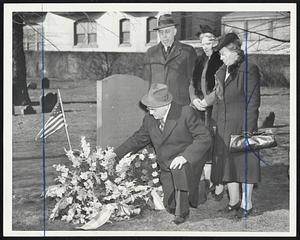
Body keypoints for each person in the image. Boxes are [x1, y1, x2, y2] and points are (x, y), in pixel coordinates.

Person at [105, 83, 212, 224]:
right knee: (170, 206)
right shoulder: (150, 119)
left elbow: (205, 138)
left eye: (152, 109)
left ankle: (183, 212)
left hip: (187, 161)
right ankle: (190, 196)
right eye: (149, 109)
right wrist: (116, 154)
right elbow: (137, 139)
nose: (150, 112)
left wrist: (185, 156)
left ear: (165, 105)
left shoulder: (186, 113)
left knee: (180, 180)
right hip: (166, 165)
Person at [198, 32, 261, 218]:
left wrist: (248, 131)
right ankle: (233, 202)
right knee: (228, 165)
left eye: (224, 53)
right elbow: (217, 98)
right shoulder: (222, 71)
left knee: (244, 166)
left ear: (235, 52)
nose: (221, 57)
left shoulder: (249, 69)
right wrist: (213, 122)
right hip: (223, 126)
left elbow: (253, 102)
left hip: (241, 126)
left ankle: (247, 204)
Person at [190, 31, 224, 202]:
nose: (205, 47)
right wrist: (195, 99)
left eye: (208, 43)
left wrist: (207, 102)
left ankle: (215, 181)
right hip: (197, 107)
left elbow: (220, 86)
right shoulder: (199, 60)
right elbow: (191, 83)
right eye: (202, 44)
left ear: (215, 43)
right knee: (200, 140)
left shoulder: (220, 60)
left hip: (213, 107)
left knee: (213, 142)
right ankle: (203, 180)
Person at [143, 14, 197, 106]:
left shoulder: (187, 51)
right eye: (161, 32)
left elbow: (193, 80)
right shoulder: (151, 53)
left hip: (180, 105)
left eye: (167, 32)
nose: (164, 36)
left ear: (175, 31)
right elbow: (146, 82)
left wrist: (193, 100)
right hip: (157, 105)